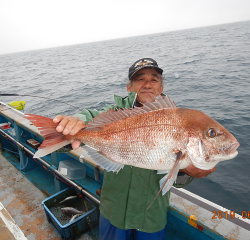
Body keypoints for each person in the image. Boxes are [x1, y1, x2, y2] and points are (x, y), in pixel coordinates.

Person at [53, 58, 216, 240]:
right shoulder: (114, 113)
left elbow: (175, 178)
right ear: (129, 87)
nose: (147, 84)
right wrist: (74, 123)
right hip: (114, 210)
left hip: (151, 215)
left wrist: (188, 170)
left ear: (161, 88)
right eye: (140, 79)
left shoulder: (177, 120)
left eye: (154, 79)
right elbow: (91, 117)